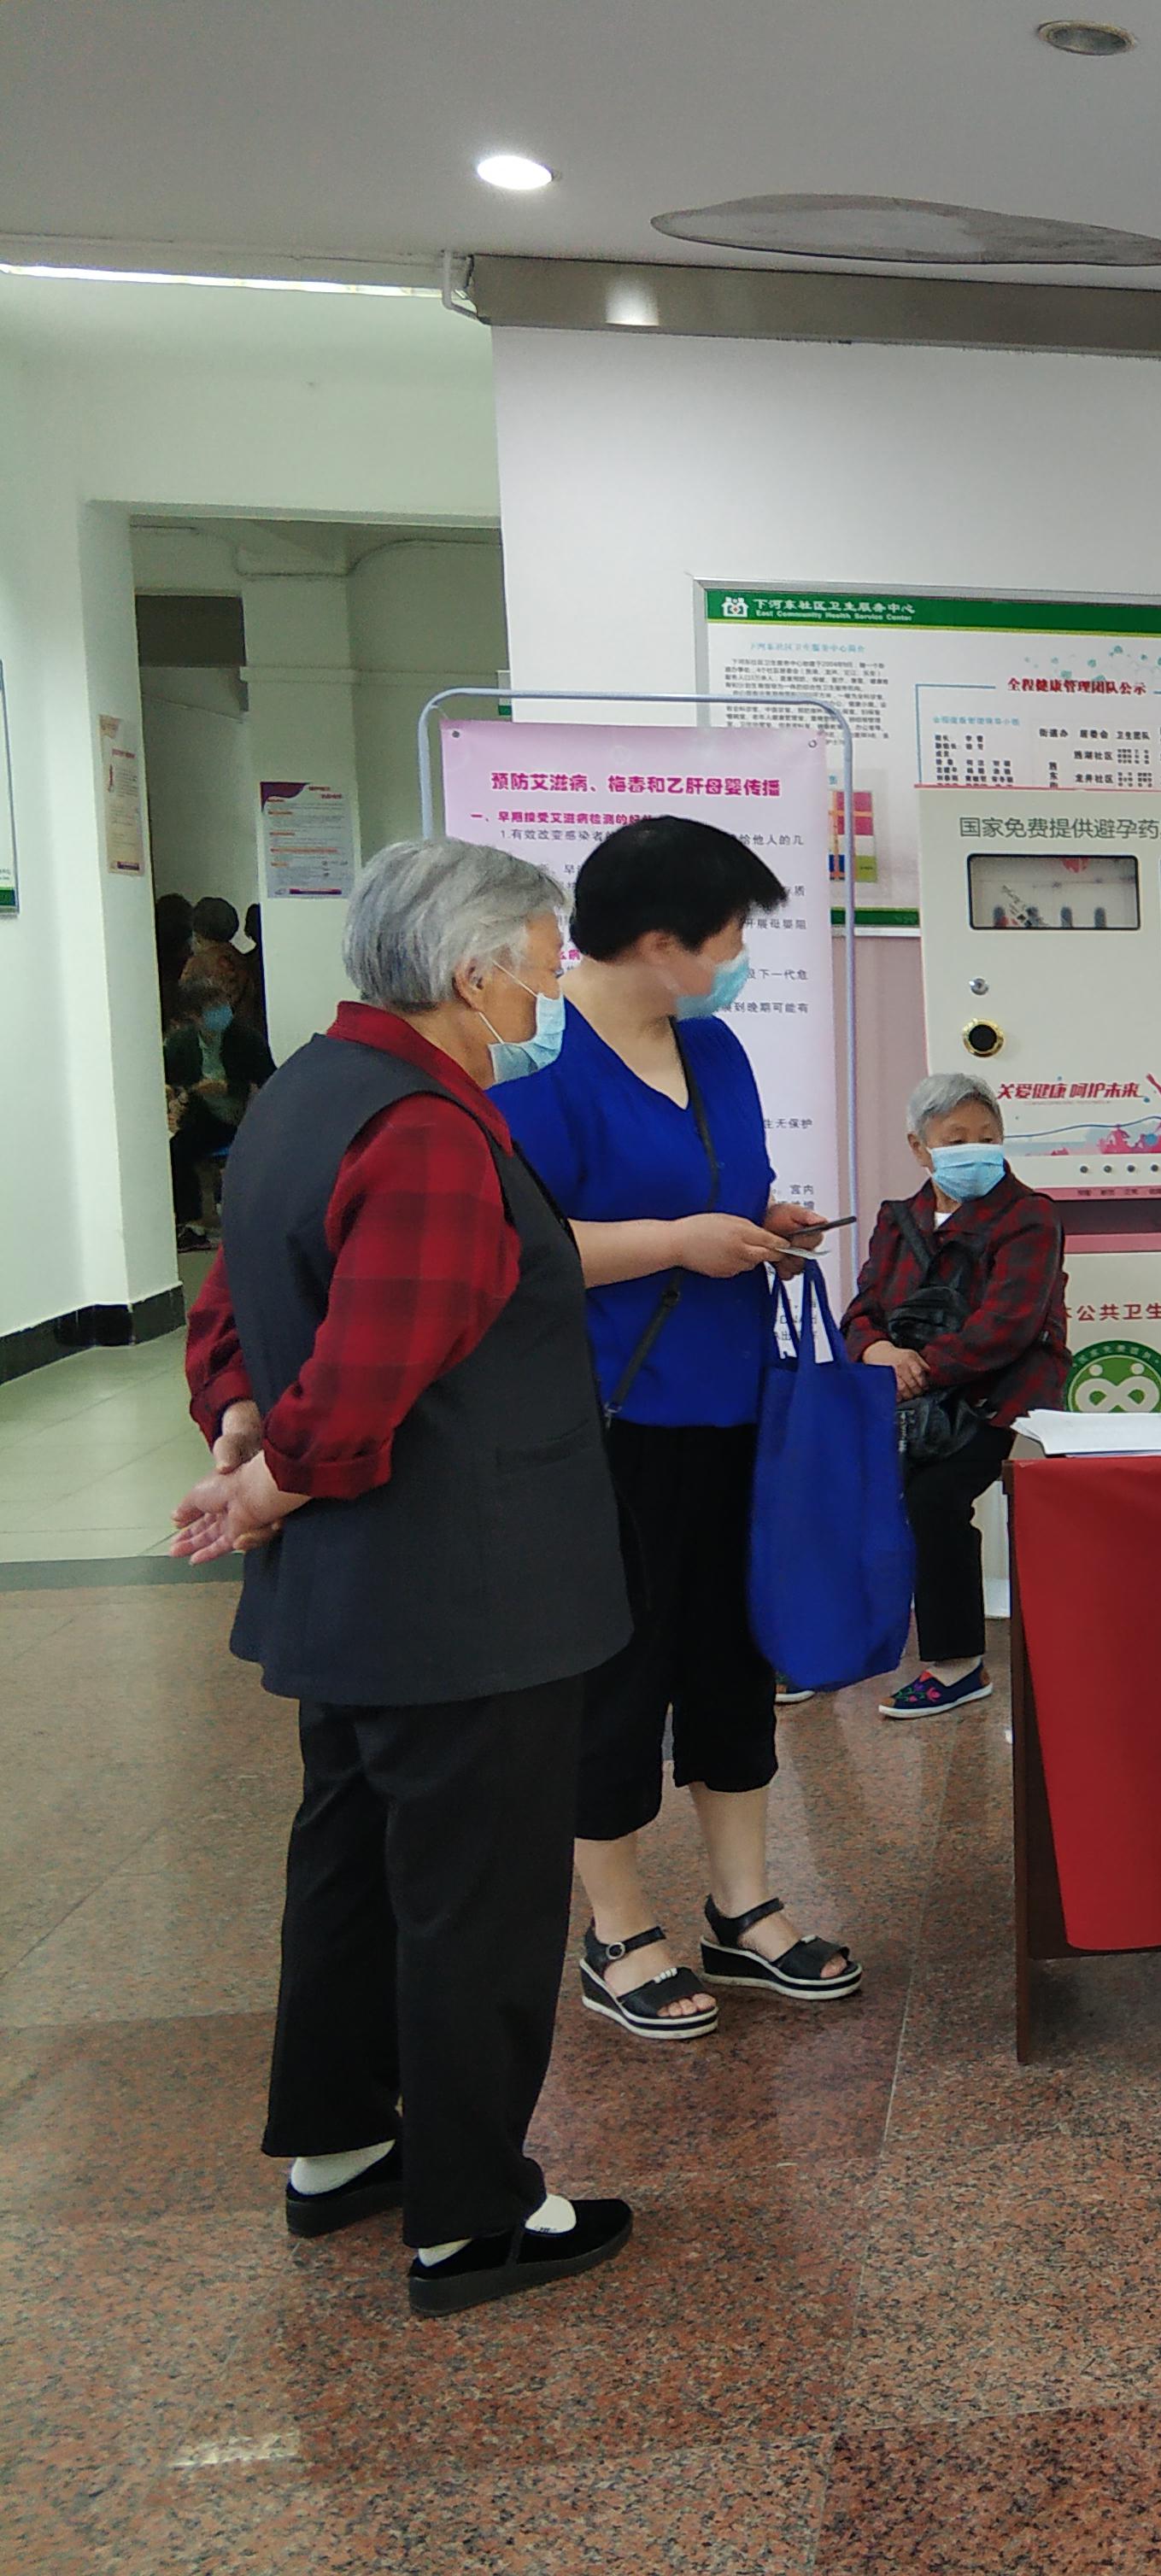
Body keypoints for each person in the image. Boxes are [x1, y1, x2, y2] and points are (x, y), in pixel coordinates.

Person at [171, 835, 636, 2315]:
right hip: (465, 1596)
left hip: (357, 1597)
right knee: (475, 1900)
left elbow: (234, 1303)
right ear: (470, 971)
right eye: (542, 967)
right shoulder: (428, 1131)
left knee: (355, 1871)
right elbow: (379, 1360)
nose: (550, 993)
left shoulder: (307, 1091)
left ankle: (343, 2145)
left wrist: (243, 1426)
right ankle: (472, 2218)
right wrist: (270, 1479)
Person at [494, 815, 861, 2041]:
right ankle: (615, 1929)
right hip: (609, 1417)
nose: (740, 955)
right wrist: (674, 1242)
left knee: (730, 1657)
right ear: (662, 941)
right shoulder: (535, 1062)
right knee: (617, 1670)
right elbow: (522, 1249)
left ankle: (743, 1906)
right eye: (731, 932)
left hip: (736, 1401)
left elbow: (725, 1188)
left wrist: (766, 1220)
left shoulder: (714, 1046)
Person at [847, 1070, 1071, 1720]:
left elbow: (1009, 1324)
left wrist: (921, 1367)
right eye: (955, 1138)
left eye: (987, 1135)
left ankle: (957, 1666)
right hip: (909, 1395)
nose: (975, 1149)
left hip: (997, 1393)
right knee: (845, 1490)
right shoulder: (898, 1219)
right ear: (919, 1147)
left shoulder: (1030, 1215)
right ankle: (831, 1647)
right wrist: (879, 1353)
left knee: (934, 1498)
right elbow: (863, 1309)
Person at [165, 958, 275, 1241]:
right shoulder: (181, 1044)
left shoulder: (247, 1039)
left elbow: (270, 1083)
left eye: (222, 1003)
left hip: (245, 1117)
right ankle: (192, 1221)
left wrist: (228, 1087)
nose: (222, 1011)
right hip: (205, 1117)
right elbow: (167, 1078)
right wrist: (175, 1095)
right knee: (177, 1149)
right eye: (212, 1008)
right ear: (194, 1016)